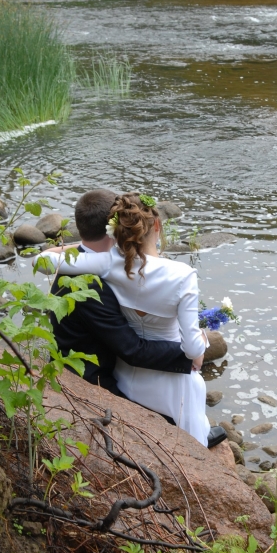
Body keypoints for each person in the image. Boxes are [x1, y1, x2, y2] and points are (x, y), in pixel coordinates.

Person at [39, 189, 226, 449]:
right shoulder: (178, 274)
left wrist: (70, 247)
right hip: (94, 376)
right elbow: (133, 350)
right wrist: (193, 352)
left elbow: (44, 259)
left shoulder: (104, 263)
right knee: (187, 404)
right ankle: (194, 441)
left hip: (122, 371)